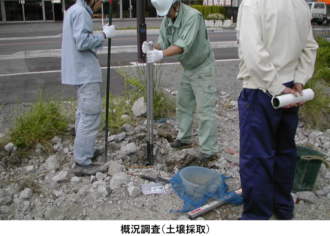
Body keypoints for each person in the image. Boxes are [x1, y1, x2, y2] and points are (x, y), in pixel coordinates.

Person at [236, 0, 318, 221]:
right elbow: (309, 46)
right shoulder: (300, 4)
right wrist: (299, 81)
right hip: (291, 88)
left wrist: (275, 87)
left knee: (257, 157)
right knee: (284, 150)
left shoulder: (253, 4)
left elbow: (252, 51)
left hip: (261, 89)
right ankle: (282, 207)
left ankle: (256, 216)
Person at [143, 0, 219, 162]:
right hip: (189, 68)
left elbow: (183, 44)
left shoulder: (193, 17)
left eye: (168, 13)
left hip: (202, 67)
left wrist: (162, 54)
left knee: (205, 110)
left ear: (176, 5)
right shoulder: (168, 18)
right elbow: (163, 42)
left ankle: (210, 150)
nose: (167, 17)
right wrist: (152, 46)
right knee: (183, 104)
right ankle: (185, 139)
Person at [61, 0, 116, 176]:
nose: (100, 4)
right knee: (90, 116)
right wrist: (103, 35)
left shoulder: (72, 10)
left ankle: (86, 151)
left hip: (78, 72)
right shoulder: (82, 13)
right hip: (85, 72)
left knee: (83, 114)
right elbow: (83, 42)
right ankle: (83, 162)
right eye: (99, 1)